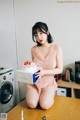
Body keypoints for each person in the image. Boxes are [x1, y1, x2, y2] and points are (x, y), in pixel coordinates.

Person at [26, 22, 63, 110]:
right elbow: (34, 68)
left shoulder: (56, 48)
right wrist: (29, 66)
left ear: (47, 32)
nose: (39, 37)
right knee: (32, 104)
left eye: (41, 33)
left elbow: (60, 69)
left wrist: (44, 72)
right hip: (35, 83)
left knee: (44, 105)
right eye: (36, 35)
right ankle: (37, 96)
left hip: (48, 83)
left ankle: (48, 95)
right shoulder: (33, 49)